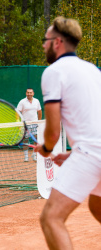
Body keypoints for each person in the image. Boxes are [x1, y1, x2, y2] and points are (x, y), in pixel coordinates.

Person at [34, 16, 101, 250]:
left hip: (91, 155)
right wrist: (74, 155)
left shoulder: (54, 72)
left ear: (57, 42)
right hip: (93, 153)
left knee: (51, 218)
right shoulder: (93, 70)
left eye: (46, 39)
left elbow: (52, 133)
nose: (43, 44)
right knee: (97, 207)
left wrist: (46, 149)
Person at [17, 88, 42, 162]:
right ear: (26, 93)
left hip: (34, 124)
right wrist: (19, 123)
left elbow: (39, 111)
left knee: (36, 139)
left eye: (30, 92)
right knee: (26, 140)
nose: (29, 94)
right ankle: (26, 156)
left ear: (33, 93)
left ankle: (34, 155)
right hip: (25, 124)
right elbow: (17, 113)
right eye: (28, 92)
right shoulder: (22, 102)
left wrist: (39, 122)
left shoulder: (36, 101)